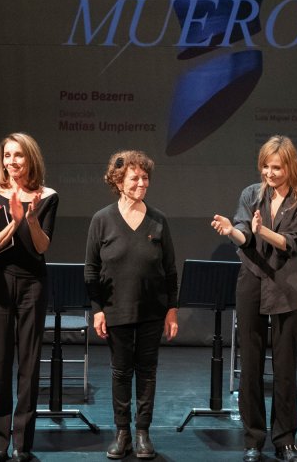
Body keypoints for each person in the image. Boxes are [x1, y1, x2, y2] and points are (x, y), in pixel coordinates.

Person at [211, 135, 297, 462]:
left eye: (277, 167)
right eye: (266, 167)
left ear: (290, 167)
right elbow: (245, 234)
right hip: (253, 282)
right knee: (251, 365)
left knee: (285, 368)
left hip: (289, 287)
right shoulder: (251, 194)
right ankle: (253, 440)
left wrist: (263, 232)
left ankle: (285, 441)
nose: (270, 174)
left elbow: (294, 242)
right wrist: (233, 231)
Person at [85, 151, 179, 460]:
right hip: (116, 309)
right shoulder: (102, 219)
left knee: (147, 371)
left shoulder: (159, 219)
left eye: (145, 177)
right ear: (118, 181)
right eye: (134, 178)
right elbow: (91, 269)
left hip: (153, 310)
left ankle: (143, 432)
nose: (141, 183)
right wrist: (98, 308)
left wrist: (171, 310)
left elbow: (170, 270)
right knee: (121, 371)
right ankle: (122, 432)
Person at [0, 133, 59, 462]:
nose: (12, 162)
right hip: (0, 282)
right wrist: (13, 223)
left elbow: (42, 247)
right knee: (0, 365)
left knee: (29, 366)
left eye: (19, 156)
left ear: (31, 160)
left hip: (33, 285)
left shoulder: (48, 196)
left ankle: (22, 446)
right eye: (7, 156)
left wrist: (30, 218)